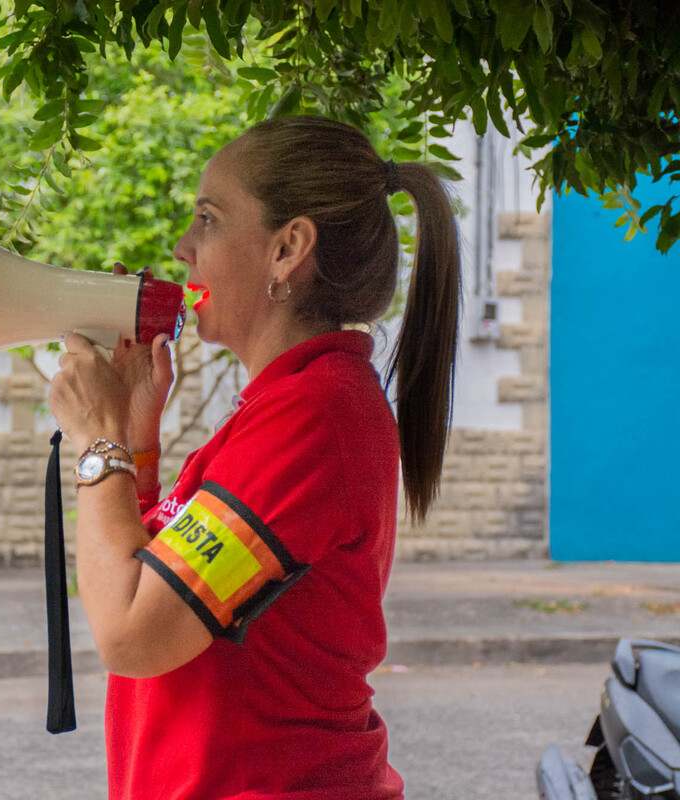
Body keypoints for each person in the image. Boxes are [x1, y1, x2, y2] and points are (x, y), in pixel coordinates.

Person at [47, 114, 461, 799]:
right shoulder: (287, 407)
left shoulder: (315, 415)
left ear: (287, 249)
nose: (183, 249)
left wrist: (99, 441)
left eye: (208, 219)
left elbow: (131, 634)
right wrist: (136, 440)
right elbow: (164, 590)